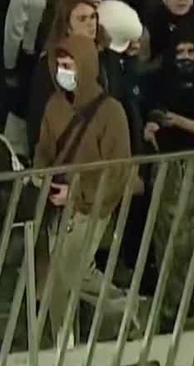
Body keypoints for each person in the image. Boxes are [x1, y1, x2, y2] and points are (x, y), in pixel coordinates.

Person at [36, 32, 136, 340]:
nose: (63, 72)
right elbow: (44, 150)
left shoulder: (111, 111)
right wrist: (42, 179)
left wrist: (78, 194)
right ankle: (64, 343)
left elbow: (118, 169)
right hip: (57, 202)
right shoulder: (54, 106)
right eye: (59, 65)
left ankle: (125, 309)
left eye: (69, 65)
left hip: (93, 204)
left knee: (75, 271)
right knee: (56, 280)